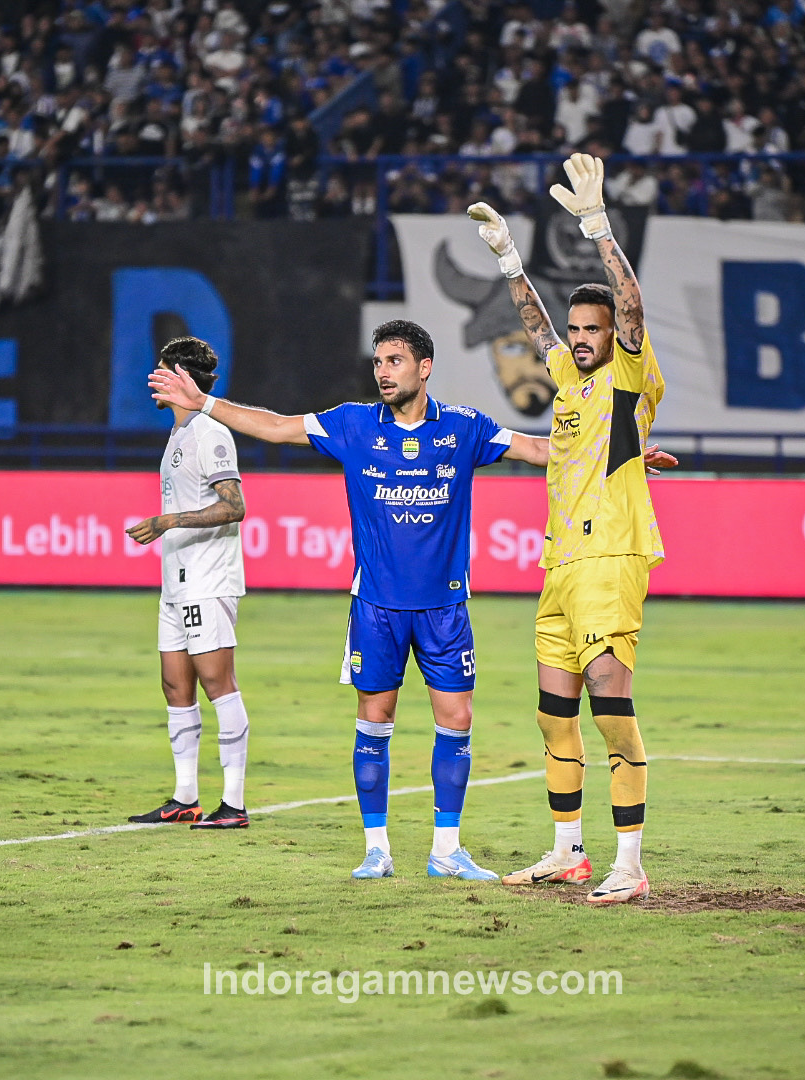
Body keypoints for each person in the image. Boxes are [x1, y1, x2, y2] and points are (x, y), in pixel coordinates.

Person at [150, 321, 557, 881]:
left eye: (394, 360)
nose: (383, 371)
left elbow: (538, 449)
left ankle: (446, 850)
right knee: (374, 718)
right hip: (376, 608)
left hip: (444, 608)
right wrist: (206, 403)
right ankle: (376, 850)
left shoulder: (464, 428)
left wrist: (620, 456)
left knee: (457, 720)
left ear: (424, 367)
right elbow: (274, 428)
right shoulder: (354, 423)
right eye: (378, 361)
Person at [467, 152, 667, 905]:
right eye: (578, 329)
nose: (582, 337)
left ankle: (632, 862)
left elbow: (633, 307)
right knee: (555, 716)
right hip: (559, 566)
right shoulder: (572, 381)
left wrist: (598, 227)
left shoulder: (628, 373)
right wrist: (512, 261)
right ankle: (568, 852)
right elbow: (535, 322)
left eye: (595, 328)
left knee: (611, 711)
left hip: (612, 560)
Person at [124, 337, 252, 830]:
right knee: (175, 686)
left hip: (208, 580)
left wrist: (168, 521)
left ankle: (235, 805)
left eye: (161, 371)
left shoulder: (209, 433)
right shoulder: (178, 435)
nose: (152, 379)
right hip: (175, 583)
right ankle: (184, 798)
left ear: (182, 378)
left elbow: (234, 505)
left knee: (218, 685)